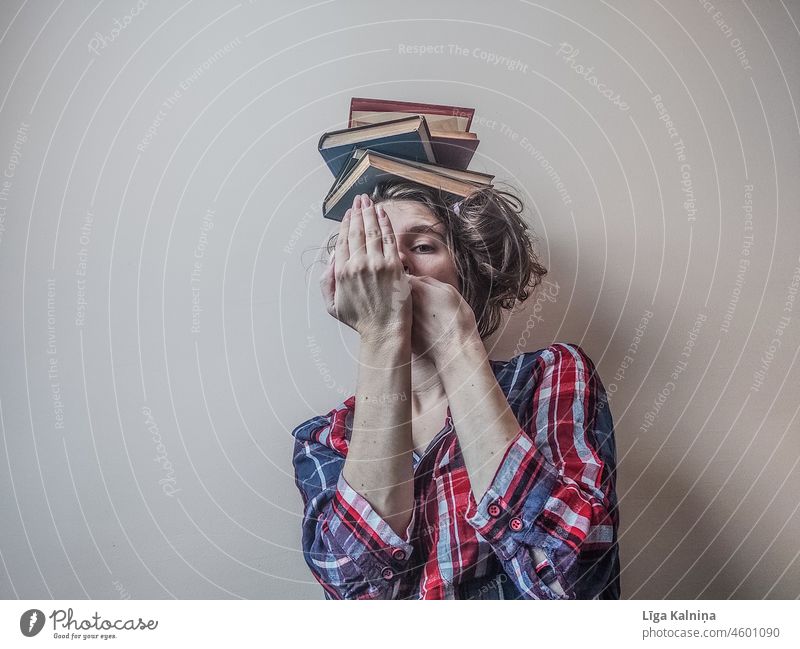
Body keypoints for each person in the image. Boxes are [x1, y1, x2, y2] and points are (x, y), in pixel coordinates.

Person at [291, 179, 620, 599]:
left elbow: (571, 583)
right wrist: (381, 333)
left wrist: (457, 346)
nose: (393, 265)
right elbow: (358, 594)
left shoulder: (548, 375)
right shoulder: (323, 440)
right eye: (377, 247)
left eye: (424, 246)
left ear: (466, 275)